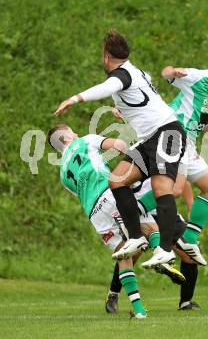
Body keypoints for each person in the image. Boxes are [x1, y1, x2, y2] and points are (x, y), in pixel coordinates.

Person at [54, 29, 187, 269]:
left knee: (161, 189)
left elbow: (107, 88)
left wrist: (75, 99)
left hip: (167, 132)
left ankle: (165, 250)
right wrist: (123, 110)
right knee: (117, 181)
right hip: (150, 138)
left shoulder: (122, 75)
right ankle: (135, 237)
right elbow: (144, 99)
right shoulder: (137, 72)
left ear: (106, 56)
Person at [135, 53, 208, 265]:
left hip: (190, 144)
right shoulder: (197, 78)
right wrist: (172, 71)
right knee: (176, 190)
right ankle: (132, 211)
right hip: (174, 137)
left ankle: (188, 238)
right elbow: (166, 72)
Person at [47, 124, 149, 318]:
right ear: (66, 135)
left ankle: (137, 309)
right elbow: (118, 145)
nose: (75, 132)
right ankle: (164, 253)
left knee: (123, 252)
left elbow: (80, 190)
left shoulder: (62, 174)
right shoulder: (85, 140)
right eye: (71, 129)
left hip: (94, 212)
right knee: (146, 230)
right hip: (111, 194)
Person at [106, 178, 201, 313]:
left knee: (190, 251)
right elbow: (119, 185)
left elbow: (182, 182)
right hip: (141, 214)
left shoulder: (173, 160)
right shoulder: (136, 163)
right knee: (131, 254)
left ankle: (185, 302)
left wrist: (191, 207)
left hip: (166, 213)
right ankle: (112, 295)